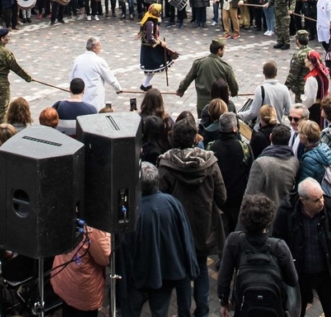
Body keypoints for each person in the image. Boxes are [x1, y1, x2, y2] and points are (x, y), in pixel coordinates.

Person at [159, 118, 226, 317]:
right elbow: (222, 197)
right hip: (203, 226)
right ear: (194, 139)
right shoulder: (210, 163)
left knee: (182, 275)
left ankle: (183, 312)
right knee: (202, 270)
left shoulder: (166, 165)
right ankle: (203, 311)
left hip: (177, 230)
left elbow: (161, 198)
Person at [119, 162, 200, 317]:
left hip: (138, 278)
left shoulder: (132, 212)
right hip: (165, 273)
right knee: (160, 311)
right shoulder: (172, 203)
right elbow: (185, 238)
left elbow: (125, 249)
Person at [273, 178, 331, 317]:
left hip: (326, 274)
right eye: (316, 200)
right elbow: (278, 245)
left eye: (321, 197)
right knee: (296, 312)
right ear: (303, 200)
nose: (321, 202)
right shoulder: (287, 213)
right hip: (299, 274)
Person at [217, 193, 299, 317]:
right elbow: (292, 279)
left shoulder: (234, 241)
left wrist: (224, 302)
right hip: (274, 307)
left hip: (244, 305)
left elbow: (224, 278)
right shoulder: (279, 246)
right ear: (269, 219)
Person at [52, 223, 112, 317]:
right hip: (82, 288)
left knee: (68, 309)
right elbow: (104, 258)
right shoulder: (94, 225)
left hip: (64, 274)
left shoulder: (67, 209)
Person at [177, 38, 239, 114]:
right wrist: (233, 93)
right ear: (219, 50)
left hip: (202, 105)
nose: (224, 51)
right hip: (219, 107)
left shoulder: (199, 63)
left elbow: (188, 78)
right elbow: (234, 86)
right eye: (223, 49)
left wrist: (181, 89)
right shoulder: (225, 67)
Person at [242, 125, 298, 209]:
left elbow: (249, 195)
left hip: (264, 215)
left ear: (270, 137)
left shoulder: (260, 163)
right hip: (283, 214)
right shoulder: (294, 162)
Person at [0, 28, 33, 122]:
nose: (9, 38)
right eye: (8, 36)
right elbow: (16, 68)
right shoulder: (6, 53)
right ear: (2, 39)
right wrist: (28, 78)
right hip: (1, 82)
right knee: (2, 109)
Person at [69, 36, 124, 111]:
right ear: (94, 48)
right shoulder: (99, 61)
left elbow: (72, 77)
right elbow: (109, 78)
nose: (101, 47)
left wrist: (72, 90)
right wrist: (118, 88)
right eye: (99, 45)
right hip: (94, 97)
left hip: (81, 97)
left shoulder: (78, 59)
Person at [237, 61, 293, 125]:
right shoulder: (284, 89)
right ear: (276, 73)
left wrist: (238, 115)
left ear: (263, 73)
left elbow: (253, 113)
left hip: (262, 128)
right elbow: (289, 111)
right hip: (277, 127)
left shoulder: (260, 90)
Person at [138, 4, 177, 91]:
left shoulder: (150, 21)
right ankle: (145, 84)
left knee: (152, 68)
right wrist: (160, 42)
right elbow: (150, 38)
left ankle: (146, 84)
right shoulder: (150, 23)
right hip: (149, 49)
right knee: (153, 67)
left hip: (150, 48)